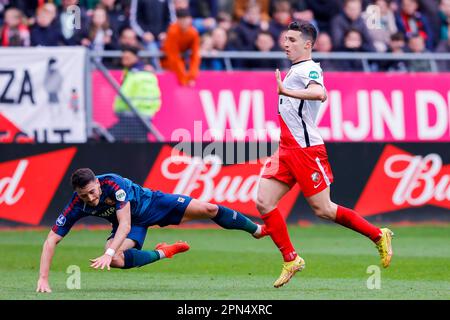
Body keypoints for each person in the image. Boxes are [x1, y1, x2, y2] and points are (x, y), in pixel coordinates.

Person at [255, 20, 394, 288]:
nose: (286, 44)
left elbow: (318, 92)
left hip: (306, 150)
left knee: (324, 210)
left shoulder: (309, 68)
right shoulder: (297, 69)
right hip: (286, 148)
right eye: (285, 39)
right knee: (264, 202)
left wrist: (286, 91)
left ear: (308, 45)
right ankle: (291, 259)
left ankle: (378, 235)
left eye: (292, 40)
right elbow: (322, 92)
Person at [36, 168, 268, 293]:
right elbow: (50, 241)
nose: (91, 198)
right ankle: (163, 253)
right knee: (116, 259)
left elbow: (124, 224)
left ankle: (256, 229)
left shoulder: (114, 185)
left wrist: (106, 253)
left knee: (209, 208)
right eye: (84, 195)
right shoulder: (77, 205)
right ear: (77, 193)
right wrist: (43, 278)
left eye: (92, 191)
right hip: (131, 223)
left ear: (97, 183)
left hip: (155, 205)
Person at [160, 8, 201, 87]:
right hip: (167, 61)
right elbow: (173, 56)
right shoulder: (172, 32)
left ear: (190, 20)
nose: (184, 22)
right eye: (181, 19)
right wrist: (184, 79)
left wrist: (192, 76)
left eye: (186, 19)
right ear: (178, 20)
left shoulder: (193, 33)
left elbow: (196, 55)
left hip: (183, 60)